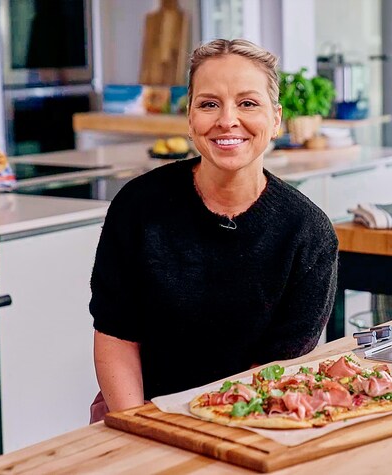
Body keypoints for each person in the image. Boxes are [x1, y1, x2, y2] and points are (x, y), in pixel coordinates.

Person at [89, 39, 338, 422]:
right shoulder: (138, 206)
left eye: (248, 103)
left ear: (275, 119)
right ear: (190, 119)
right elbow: (116, 333)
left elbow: (274, 370)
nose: (227, 120)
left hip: (253, 415)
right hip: (137, 408)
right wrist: (140, 426)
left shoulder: (308, 233)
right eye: (209, 104)